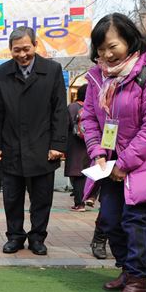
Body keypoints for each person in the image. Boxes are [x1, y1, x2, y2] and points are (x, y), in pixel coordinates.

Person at [83, 13, 146, 292]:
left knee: (135, 222)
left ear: (129, 40)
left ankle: (138, 281)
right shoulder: (97, 77)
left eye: (112, 46)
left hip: (144, 164)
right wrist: (97, 151)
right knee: (109, 220)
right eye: (100, 49)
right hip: (110, 164)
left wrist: (126, 162)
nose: (106, 55)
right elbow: (89, 118)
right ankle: (126, 269)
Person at [0, 26, 68, 256]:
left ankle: (37, 237)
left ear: (35, 45)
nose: (22, 55)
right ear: (10, 50)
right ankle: (14, 236)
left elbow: (59, 111)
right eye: (16, 50)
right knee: (12, 198)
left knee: (42, 198)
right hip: (11, 146)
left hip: (43, 147)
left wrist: (58, 145)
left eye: (26, 49)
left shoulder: (52, 70)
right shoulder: (1, 72)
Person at [65, 84, 90, 212]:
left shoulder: (72, 107)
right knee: (87, 172)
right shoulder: (92, 107)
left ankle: (80, 203)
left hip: (74, 144)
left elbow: (65, 125)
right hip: (90, 144)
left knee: (77, 173)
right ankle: (89, 198)